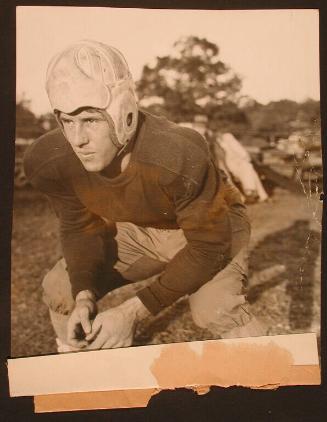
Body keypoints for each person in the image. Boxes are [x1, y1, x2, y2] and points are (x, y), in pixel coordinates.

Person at [24, 40, 264, 352]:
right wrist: (84, 293)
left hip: (211, 225)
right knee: (62, 287)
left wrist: (132, 312)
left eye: (90, 120)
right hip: (142, 227)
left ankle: (279, 381)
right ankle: (84, 375)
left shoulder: (175, 153)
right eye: (67, 121)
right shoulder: (49, 160)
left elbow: (208, 246)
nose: (77, 139)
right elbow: (79, 227)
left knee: (214, 308)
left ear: (124, 115)